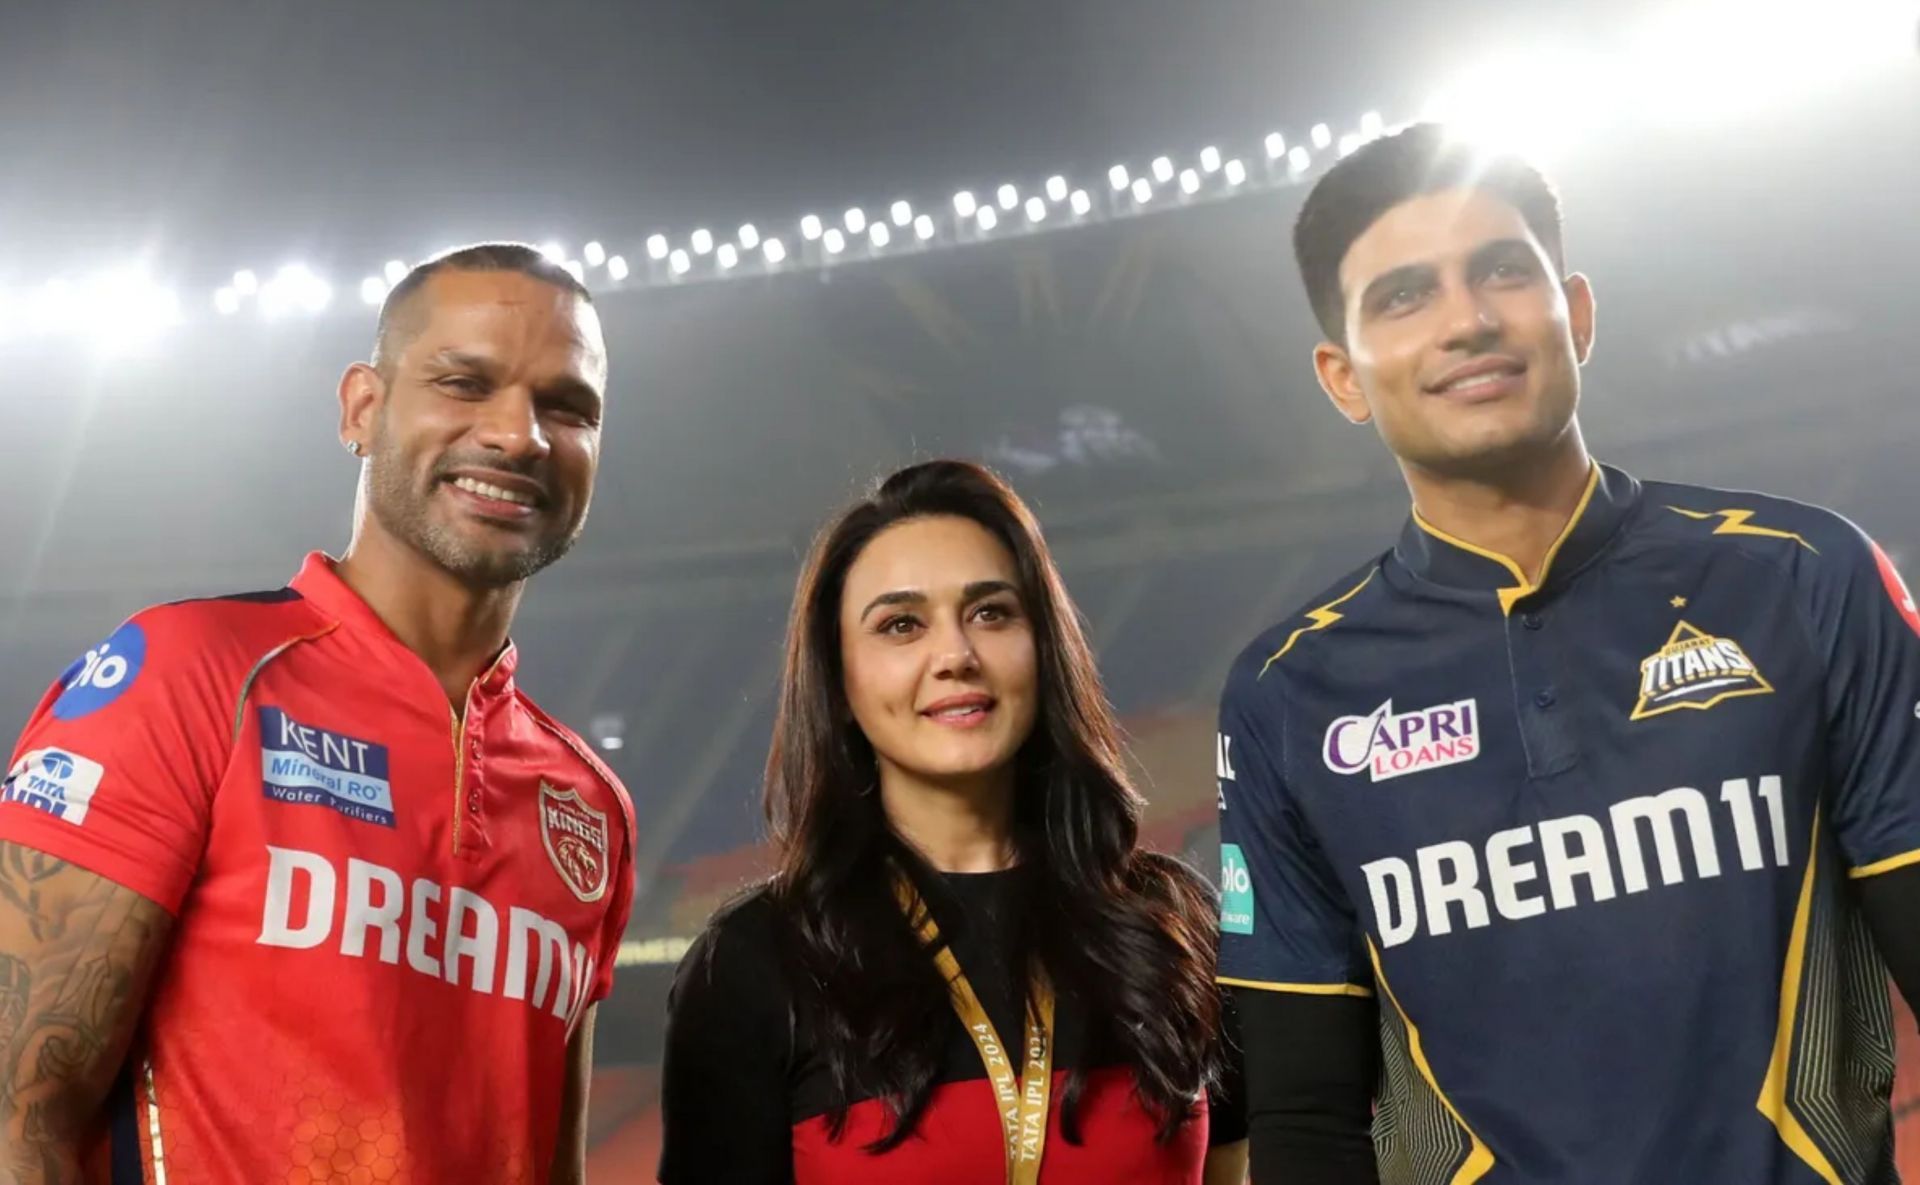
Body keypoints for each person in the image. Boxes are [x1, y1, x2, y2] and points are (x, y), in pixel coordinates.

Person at [1217, 120, 1920, 1184]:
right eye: (1405, 296)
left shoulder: (1806, 576)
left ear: (1576, 313)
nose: (1467, 321)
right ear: (1343, 376)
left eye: (1501, 270)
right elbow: (1308, 1120)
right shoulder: (1287, 696)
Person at [0, 243, 636, 1184]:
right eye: (466, 383)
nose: (520, 436)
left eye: (567, 406)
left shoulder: (589, 803)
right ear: (363, 409)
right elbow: (19, 1114)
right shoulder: (189, 675)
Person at [659, 459, 1249, 1185]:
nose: (956, 655)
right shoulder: (755, 961)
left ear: (1045, 649)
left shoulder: (1172, 924)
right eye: (901, 625)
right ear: (839, 681)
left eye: (991, 612)